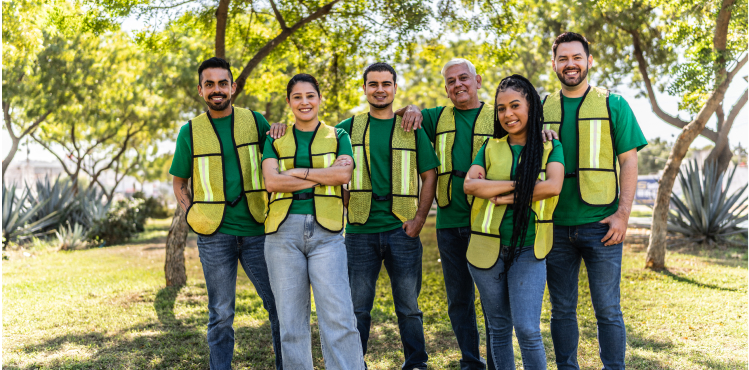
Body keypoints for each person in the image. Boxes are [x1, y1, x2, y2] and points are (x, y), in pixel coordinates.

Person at [541, 32, 647, 370]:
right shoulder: (541, 106)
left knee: (608, 309)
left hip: (601, 225)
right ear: (554, 63)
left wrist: (623, 215)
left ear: (589, 61)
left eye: (576, 57)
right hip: (555, 226)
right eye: (563, 58)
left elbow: (629, 160)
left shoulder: (613, 103)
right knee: (561, 309)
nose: (570, 64)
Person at [169, 57, 282, 370]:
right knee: (220, 314)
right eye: (209, 84)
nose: (216, 90)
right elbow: (180, 181)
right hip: (213, 235)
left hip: (258, 229)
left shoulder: (254, 120)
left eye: (222, 83)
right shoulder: (189, 131)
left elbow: (279, 154)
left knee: (278, 305)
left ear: (233, 87)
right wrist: (190, 212)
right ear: (200, 90)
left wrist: (280, 130)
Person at [336, 63, 439, 370]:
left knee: (409, 307)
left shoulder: (412, 127)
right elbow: (329, 171)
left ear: (395, 88)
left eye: (386, 83)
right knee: (357, 308)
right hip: (359, 233)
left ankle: (417, 363)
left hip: (402, 230)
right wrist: (347, 203)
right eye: (373, 84)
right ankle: (355, 363)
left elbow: (429, 175)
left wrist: (420, 219)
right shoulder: (346, 128)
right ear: (364, 88)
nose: (379, 89)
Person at [261, 73, 365, 370]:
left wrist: (296, 172)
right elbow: (271, 182)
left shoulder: (338, 136)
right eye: (297, 97)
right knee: (291, 324)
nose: (304, 102)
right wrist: (321, 175)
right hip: (282, 236)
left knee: (339, 319)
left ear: (319, 99)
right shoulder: (276, 138)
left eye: (310, 96)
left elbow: (342, 175)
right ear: (289, 102)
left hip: (328, 234)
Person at [463, 74, 564, 369]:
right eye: (501, 108)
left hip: (529, 249)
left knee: (528, 329)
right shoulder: (490, 147)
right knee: (498, 329)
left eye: (515, 106)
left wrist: (503, 192)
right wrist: (522, 186)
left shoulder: (549, 147)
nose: (508, 114)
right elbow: (470, 186)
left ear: (530, 105)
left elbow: (553, 186)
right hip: (486, 249)